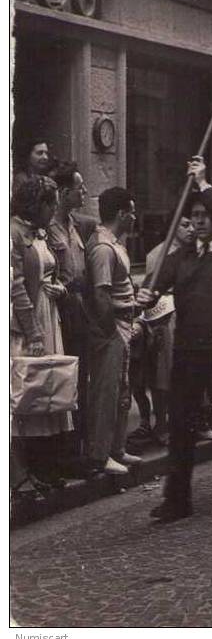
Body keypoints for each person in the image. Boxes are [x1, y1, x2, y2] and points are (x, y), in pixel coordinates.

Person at [138, 157, 212, 521]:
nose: (200, 220)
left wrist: (205, 186)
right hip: (190, 348)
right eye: (194, 215)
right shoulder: (182, 256)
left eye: (206, 214)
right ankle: (177, 499)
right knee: (181, 425)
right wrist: (147, 295)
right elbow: (155, 284)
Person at [11, 175, 74, 489]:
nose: (54, 210)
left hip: (49, 316)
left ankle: (47, 464)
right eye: (51, 203)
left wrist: (58, 287)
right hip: (29, 322)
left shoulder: (41, 232)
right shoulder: (13, 233)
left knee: (49, 388)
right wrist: (33, 333)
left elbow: (52, 270)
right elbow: (16, 288)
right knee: (30, 391)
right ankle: (25, 471)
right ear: (38, 204)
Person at [85, 187, 142, 476]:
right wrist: (111, 331)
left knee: (122, 389)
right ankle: (99, 453)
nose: (134, 217)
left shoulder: (114, 245)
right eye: (131, 211)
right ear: (121, 213)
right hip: (113, 326)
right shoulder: (104, 249)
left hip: (124, 323)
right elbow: (102, 295)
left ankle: (116, 448)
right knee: (107, 391)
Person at [128, 216, 197, 448]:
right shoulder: (161, 253)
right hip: (165, 319)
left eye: (193, 224)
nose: (191, 229)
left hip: (186, 317)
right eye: (185, 224)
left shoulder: (192, 250)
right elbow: (154, 289)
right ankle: (161, 424)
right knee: (162, 375)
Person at [47, 162, 95, 468]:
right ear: (64, 193)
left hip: (80, 307)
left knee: (82, 379)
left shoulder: (76, 225)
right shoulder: (49, 227)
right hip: (61, 310)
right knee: (67, 380)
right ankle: (66, 452)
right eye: (79, 188)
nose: (85, 192)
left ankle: (80, 447)